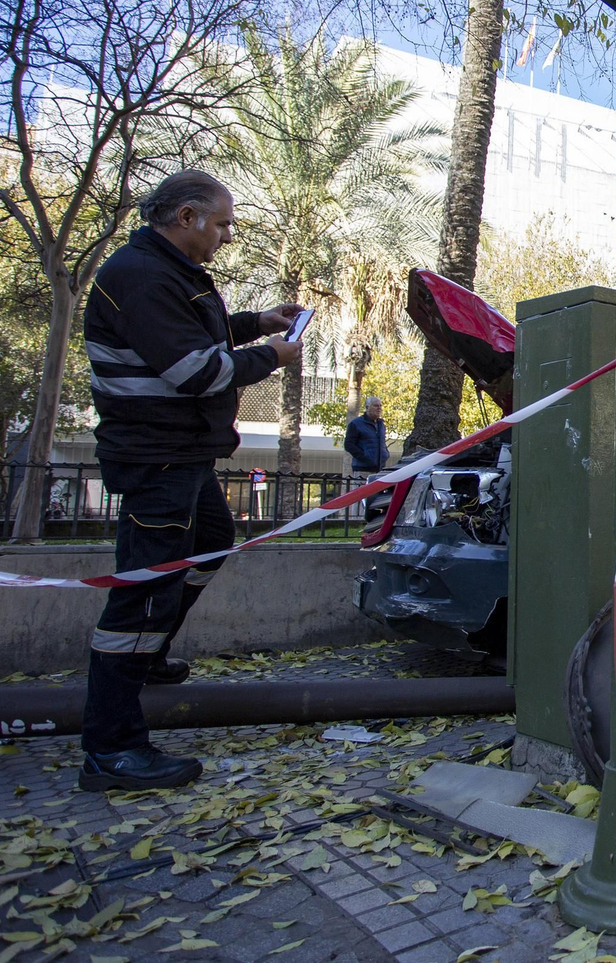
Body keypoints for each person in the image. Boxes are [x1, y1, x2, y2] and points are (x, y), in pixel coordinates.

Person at [79, 170, 302, 792]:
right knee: (143, 594)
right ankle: (111, 749)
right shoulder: (142, 276)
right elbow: (196, 371)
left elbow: (194, 334)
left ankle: (146, 656)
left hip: (183, 456)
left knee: (209, 541)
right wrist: (272, 356)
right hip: (158, 459)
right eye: (222, 223)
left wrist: (257, 322)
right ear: (186, 217)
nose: (227, 235)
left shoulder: (170, 273)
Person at [344, 396, 390, 476]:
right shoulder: (356, 424)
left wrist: (386, 454)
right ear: (367, 407)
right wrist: (365, 457)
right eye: (376, 406)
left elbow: (382, 443)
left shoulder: (381, 424)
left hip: (379, 470)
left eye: (380, 406)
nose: (379, 408)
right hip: (362, 470)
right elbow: (348, 445)